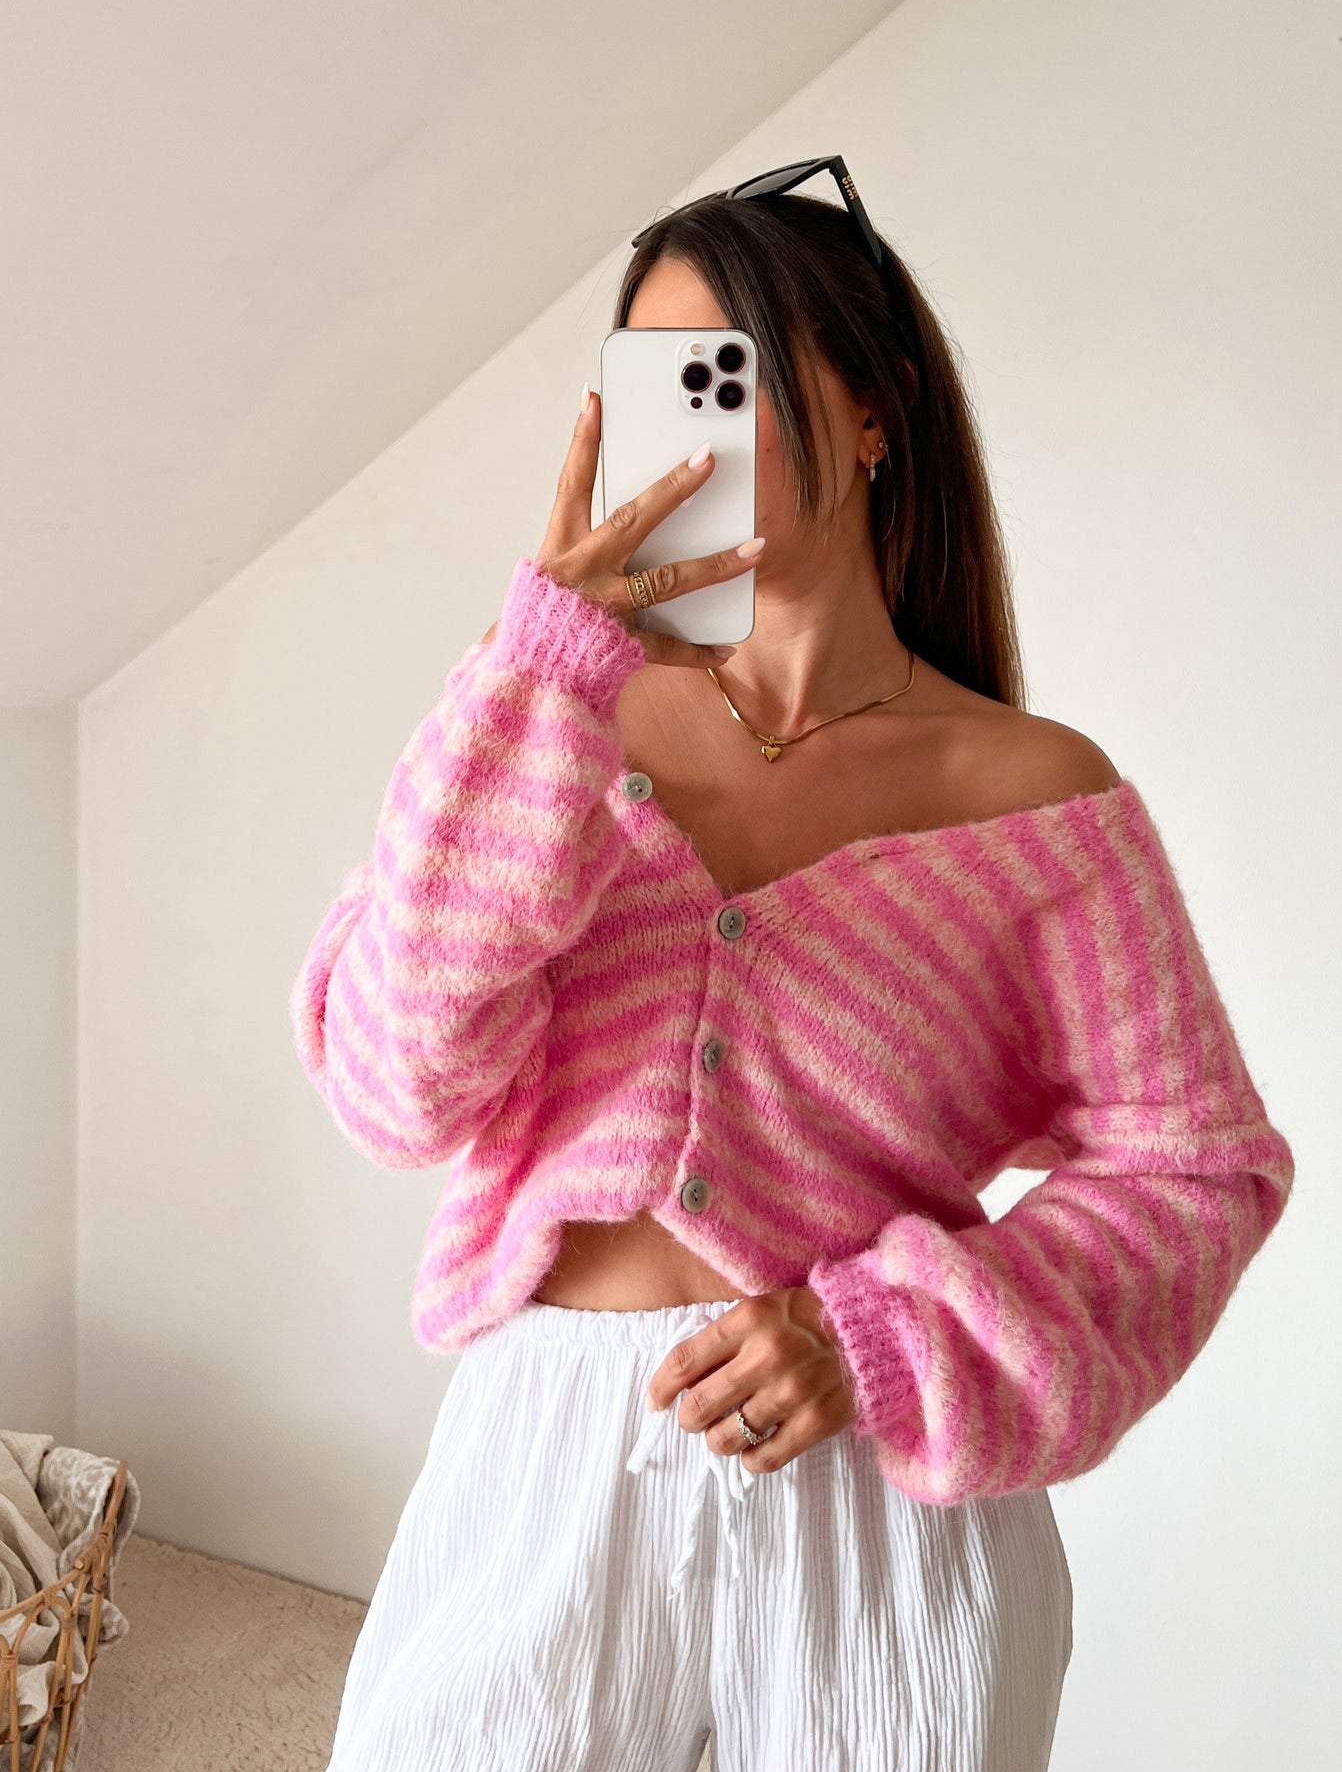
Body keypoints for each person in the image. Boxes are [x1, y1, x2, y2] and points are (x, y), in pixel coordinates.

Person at [289, 173, 1295, 1772]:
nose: (678, 429)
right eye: (647, 381)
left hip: (878, 1496)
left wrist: (889, 1335)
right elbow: (393, 1086)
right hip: (550, 1458)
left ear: (873, 409)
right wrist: (538, 677)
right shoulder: (545, 724)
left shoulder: (1035, 798)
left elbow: (1198, 1167)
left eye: (724, 373)